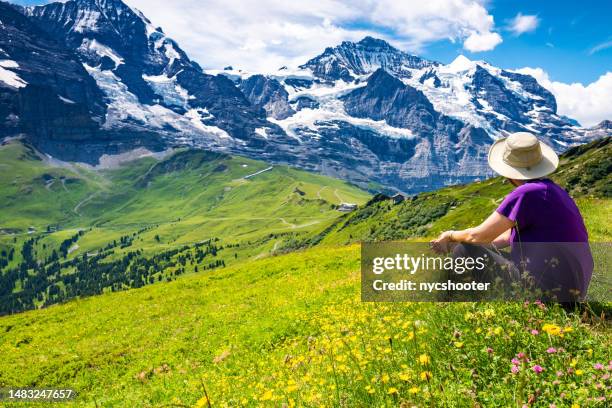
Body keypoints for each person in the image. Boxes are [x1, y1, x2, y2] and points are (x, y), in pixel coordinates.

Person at [430, 132, 593, 301]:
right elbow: (507, 237)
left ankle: (445, 304)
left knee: (465, 251)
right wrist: (468, 244)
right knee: (468, 246)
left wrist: (450, 235)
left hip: (547, 292)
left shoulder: (527, 193)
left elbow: (477, 236)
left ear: (510, 173)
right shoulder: (552, 190)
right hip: (571, 290)